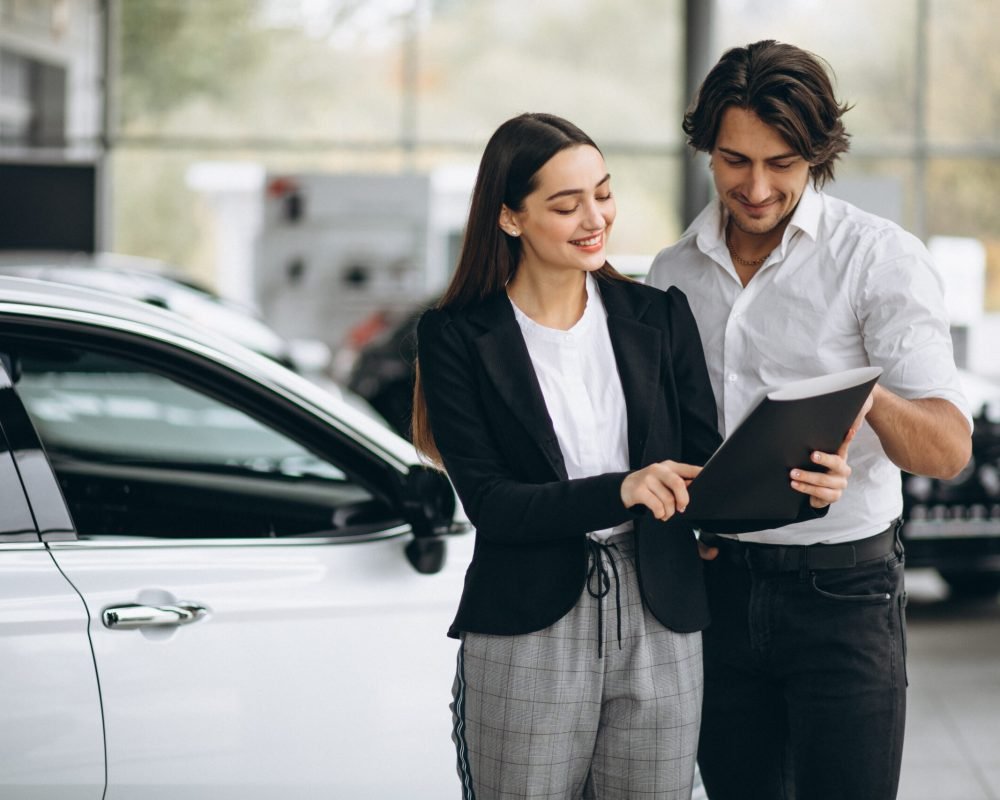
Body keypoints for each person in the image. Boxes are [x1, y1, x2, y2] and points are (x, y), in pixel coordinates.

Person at [411, 112, 850, 800]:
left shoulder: (657, 315)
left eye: (603, 193)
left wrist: (800, 489)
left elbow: (706, 471)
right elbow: (493, 506)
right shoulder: (456, 336)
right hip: (528, 624)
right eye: (566, 204)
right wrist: (622, 488)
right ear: (510, 218)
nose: (595, 218)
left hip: (662, 612)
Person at [647, 40, 973, 800]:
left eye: (782, 163)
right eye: (734, 161)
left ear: (818, 156)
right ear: (707, 150)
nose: (755, 187)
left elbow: (948, 449)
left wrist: (863, 399)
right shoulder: (671, 273)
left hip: (843, 596)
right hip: (717, 590)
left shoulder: (879, 261)